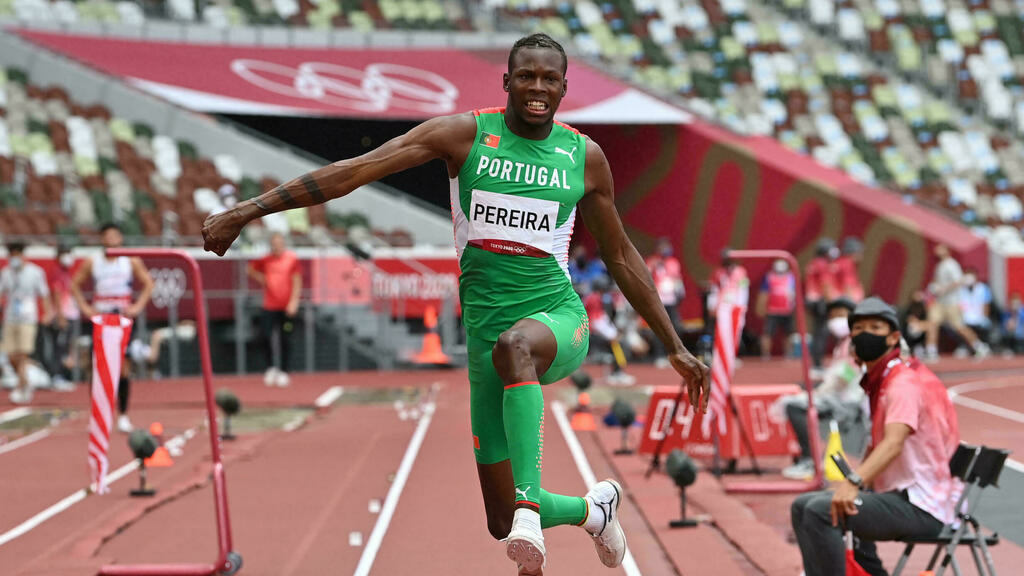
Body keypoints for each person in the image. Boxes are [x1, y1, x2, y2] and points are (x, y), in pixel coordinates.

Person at [201, 33, 710, 576]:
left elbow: (621, 255)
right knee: (499, 519)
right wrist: (247, 211)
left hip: (557, 322)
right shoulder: (464, 136)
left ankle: (532, 511)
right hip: (485, 342)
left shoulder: (584, 157)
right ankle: (594, 512)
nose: (538, 87)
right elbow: (354, 170)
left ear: (565, 88)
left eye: (550, 79)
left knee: (516, 353)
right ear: (507, 81)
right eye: (527, 76)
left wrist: (673, 344)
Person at [791, 297, 962, 576]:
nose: (866, 333)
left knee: (821, 511)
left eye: (875, 327)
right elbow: (876, 446)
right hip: (900, 494)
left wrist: (853, 483)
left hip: (923, 505)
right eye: (858, 328)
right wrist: (855, 485)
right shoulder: (882, 379)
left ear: (894, 337)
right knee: (803, 505)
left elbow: (893, 443)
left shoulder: (903, 382)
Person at [71, 223, 154, 433]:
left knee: (124, 366)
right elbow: (74, 285)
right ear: (102, 238)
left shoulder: (130, 260)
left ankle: (123, 415)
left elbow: (148, 283)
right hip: (101, 316)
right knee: (98, 366)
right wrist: (85, 308)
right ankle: (98, 415)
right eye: (107, 236)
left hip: (122, 316)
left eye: (115, 236)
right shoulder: (93, 261)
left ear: (120, 238)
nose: (111, 239)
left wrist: (137, 306)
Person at [777, 298, 864, 480]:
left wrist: (822, 391)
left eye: (841, 315)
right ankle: (809, 457)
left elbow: (846, 376)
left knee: (795, 407)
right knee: (795, 402)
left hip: (847, 400)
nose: (836, 320)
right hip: (837, 395)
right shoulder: (842, 343)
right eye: (833, 316)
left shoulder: (855, 342)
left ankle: (809, 460)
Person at [1, 242, 53, 404]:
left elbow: (44, 294)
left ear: (23, 255)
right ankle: (27, 380)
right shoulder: (6, 273)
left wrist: (48, 312)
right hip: (10, 318)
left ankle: (21, 386)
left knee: (23, 354)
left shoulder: (35, 272)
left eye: (17, 255)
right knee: (11, 355)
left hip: (28, 318)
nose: (14, 259)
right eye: (11, 255)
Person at [249, 232, 301, 387]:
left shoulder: (291, 259)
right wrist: (263, 279)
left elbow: (297, 281)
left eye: (279, 243)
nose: (277, 246)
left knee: (285, 339)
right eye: (274, 243)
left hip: (286, 307)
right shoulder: (265, 259)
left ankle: (284, 371)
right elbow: (250, 269)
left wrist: (294, 302)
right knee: (264, 336)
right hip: (269, 305)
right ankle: (271, 368)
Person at [925, 244, 989, 360]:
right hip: (940, 302)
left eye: (941, 248)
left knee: (959, 327)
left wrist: (943, 289)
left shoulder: (951, 264)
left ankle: (980, 347)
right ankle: (931, 351)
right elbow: (937, 282)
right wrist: (934, 287)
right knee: (932, 324)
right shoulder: (940, 265)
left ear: (947, 250)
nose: (937, 250)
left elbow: (958, 281)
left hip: (952, 302)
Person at [583, 276, 635, 385]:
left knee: (620, 342)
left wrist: (613, 332)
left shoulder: (593, 297)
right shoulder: (594, 298)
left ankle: (618, 372)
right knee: (620, 344)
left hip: (596, 331)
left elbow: (601, 318)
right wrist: (611, 334)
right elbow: (594, 321)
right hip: (593, 333)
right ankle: (617, 373)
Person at [45, 244, 79, 391]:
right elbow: (57, 294)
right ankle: (56, 376)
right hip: (61, 316)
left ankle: (62, 376)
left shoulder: (67, 272)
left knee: (65, 346)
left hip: (69, 314)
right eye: (65, 254)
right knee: (59, 347)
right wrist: (60, 316)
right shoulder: (56, 272)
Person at [804, 238, 840, 372]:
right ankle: (817, 364)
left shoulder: (813, 263)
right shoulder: (822, 264)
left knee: (818, 332)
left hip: (812, 301)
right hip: (820, 302)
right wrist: (833, 303)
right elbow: (825, 285)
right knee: (821, 333)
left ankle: (816, 363)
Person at [645, 237, 685, 338]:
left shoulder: (673, 262)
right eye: (662, 246)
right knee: (659, 325)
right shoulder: (651, 262)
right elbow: (646, 276)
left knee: (675, 325)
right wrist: (653, 266)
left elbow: (677, 279)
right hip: (658, 299)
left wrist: (680, 294)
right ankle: (660, 351)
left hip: (671, 299)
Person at [757, 258, 796, 358]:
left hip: (787, 311)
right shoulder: (769, 277)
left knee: (789, 334)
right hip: (772, 311)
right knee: (768, 333)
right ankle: (765, 354)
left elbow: (794, 294)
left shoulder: (791, 277)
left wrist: (794, 307)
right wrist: (761, 307)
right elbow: (764, 293)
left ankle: (788, 353)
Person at [959, 267, 993, 347]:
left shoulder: (983, 288)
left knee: (984, 325)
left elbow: (986, 305)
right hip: (965, 317)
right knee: (959, 326)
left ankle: (980, 345)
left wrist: (984, 317)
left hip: (979, 316)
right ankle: (968, 346)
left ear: (976, 277)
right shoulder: (960, 289)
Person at [836, 237, 865, 303]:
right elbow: (848, 287)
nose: (861, 256)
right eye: (860, 252)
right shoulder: (847, 264)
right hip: (843, 304)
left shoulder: (840, 262)